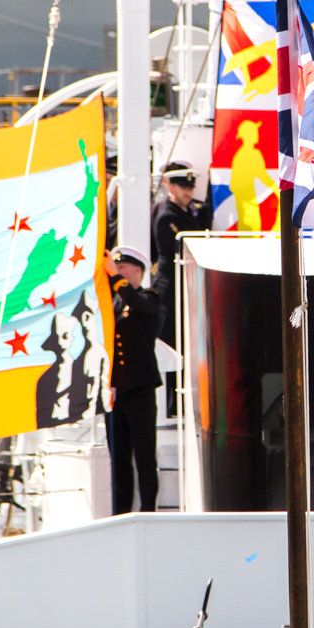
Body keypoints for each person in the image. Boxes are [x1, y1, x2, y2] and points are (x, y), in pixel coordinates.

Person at [104, 247, 163, 514]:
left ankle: (148, 509)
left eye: (122, 269)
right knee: (119, 458)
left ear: (137, 271)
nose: (116, 273)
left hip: (140, 388)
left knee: (144, 454)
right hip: (117, 391)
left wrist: (116, 279)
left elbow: (138, 304)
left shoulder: (149, 298)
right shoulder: (115, 303)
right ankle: (121, 511)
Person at [150, 161, 209, 345]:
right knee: (172, 339)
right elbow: (187, 248)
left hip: (188, 282)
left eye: (190, 187)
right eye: (183, 187)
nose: (188, 192)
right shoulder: (167, 215)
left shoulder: (193, 210)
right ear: (170, 186)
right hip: (172, 286)